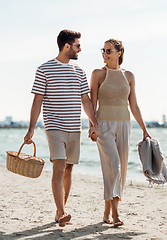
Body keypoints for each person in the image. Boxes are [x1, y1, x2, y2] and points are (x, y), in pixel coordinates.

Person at [24, 29, 98, 227]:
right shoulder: (44, 69)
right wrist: (31, 129)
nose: (80, 50)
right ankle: (63, 211)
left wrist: (94, 124)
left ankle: (59, 212)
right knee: (59, 167)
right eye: (77, 46)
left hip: (75, 127)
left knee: (68, 169)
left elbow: (86, 101)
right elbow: (37, 100)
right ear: (67, 46)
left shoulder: (79, 71)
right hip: (54, 126)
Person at [89, 39, 151, 227]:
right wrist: (93, 126)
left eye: (109, 50)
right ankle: (116, 214)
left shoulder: (129, 76)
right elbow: (92, 103)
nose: (105, 54)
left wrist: (144, 129)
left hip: (124, 124)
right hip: (103, 126)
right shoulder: (98, 73)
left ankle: (107, 212)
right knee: (113, 166)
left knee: (119, 169)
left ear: (119, 53)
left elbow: (134, 105)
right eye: (103, 50)